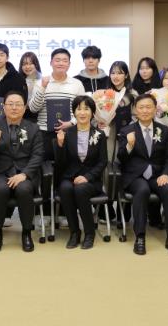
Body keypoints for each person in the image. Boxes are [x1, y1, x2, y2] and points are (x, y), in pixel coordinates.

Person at [117, 94, 168, 255]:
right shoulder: (126, 131)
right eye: (141, 107)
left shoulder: (164, 131)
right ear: (135, 110)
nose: (145, 110)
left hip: (157, 175)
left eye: (148, 107)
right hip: (135, 176)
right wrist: (129, 145)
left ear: (155, 109)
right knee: (142, 190)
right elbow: (121, 158)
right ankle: (140, 237)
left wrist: (166, 174)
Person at [0, 91, 43, 252]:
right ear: (4, 107)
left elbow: (38, 156)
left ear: (24, 108)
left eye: (18, 104)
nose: (14, 108)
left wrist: (24, 174)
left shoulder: (33, 128)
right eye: (10, 104)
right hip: (0, 173)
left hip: (24, 174)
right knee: (1, 189)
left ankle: (26, 233)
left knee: (24, 189)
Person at [54, 96, 107, 249]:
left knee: (81, 189)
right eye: (79, 109)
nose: (82, 112)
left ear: (92, 113)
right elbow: (60, 163)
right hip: (69, 176)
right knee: (65, 188)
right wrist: (60, 145)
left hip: (91, 180)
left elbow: (103, 162)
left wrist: (87, 177)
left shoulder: (99, 134)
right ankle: (74, 232)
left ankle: (89, 233)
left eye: (86, 109)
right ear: (74, 112)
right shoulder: (67, 133)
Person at [28, 48, 85, 160]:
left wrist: (71, 123)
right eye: (57, 60)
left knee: (67, 165)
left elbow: (83, 109)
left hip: (70, 132)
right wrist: (43, 87)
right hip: (44, 132)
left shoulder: (77, 84)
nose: (61, 63)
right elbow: (33, 108)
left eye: (64, 60)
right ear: (51, 63)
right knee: (45, 165)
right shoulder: (40, 83)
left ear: (69, 64)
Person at [19, 52, 42, 121]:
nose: (27, 67)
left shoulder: (42, 81)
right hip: (21, 116)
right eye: (24, 64)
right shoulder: (17, 81)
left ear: (36, 65)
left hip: (39, 116)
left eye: (31, 63)